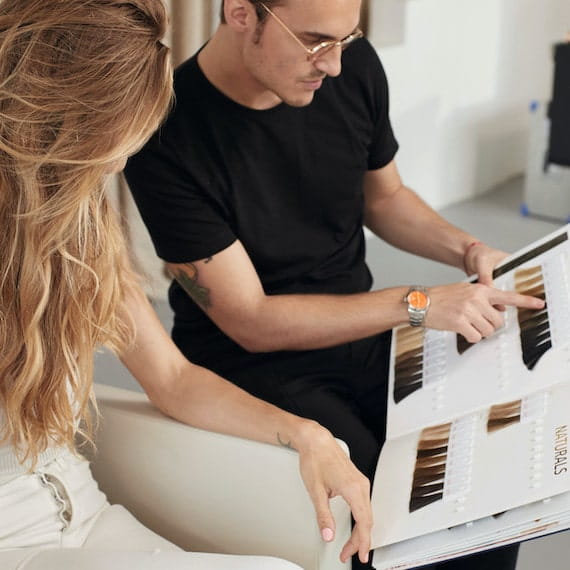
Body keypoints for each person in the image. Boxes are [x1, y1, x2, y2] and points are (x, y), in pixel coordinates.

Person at [124, 0, 545, 569]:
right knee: (398, 516)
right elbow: (251, 321)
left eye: (347, 40)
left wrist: (470, 249)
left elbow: (385, 197)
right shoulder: (168, 132)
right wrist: (417, 304)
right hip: (254, 366)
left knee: (492, 490)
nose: (337, 65)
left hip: (366, 330)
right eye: (317, 41)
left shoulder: (352, 63)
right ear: (241, 12)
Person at [0, 1, 374, 569]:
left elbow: (172, 379)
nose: (123, 162)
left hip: (90, 514)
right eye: (114, 139)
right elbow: (249, 319)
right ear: (59, 126)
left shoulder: (78, 231)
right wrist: (420, 305)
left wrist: (303, 434)